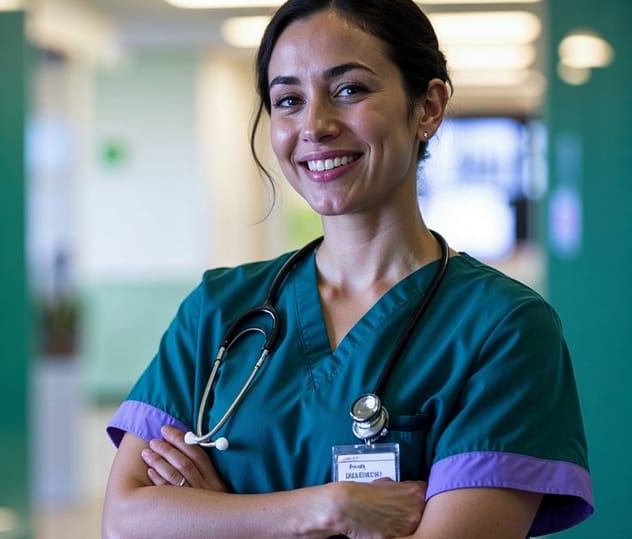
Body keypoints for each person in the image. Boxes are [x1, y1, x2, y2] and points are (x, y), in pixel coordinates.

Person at [101, 0, 594, 537]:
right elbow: (125, 521)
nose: (314, 125)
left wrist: (219, 516)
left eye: (350, 90)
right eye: (288, 100)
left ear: (427, 107)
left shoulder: (504, 328)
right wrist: (327, 509)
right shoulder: (219, 309)